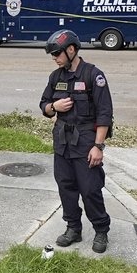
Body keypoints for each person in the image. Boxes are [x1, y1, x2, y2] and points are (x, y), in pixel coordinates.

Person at [39, 30, 114, 253]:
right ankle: (73, 228)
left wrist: (98, 146)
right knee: (66, 187)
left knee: (90, 188)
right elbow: (43, 105)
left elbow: (104, 114)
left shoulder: (93, 75)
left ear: (71, 50)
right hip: (62, 140)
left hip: (86, 141)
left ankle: (101, 230)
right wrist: (54, 107)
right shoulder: (56, 77)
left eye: (57, 53)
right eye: (52, 54)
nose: (54, 58)